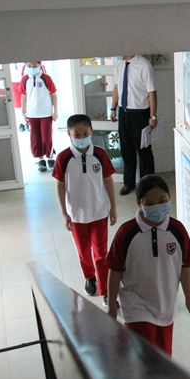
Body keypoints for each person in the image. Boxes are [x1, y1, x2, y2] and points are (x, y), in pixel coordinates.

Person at [105, 175, 190, 355]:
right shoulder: (126, 233)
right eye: (149, 203)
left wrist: (189, 299)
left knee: (164, 356)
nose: (157, 206)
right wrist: (112, 305)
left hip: (165, 306)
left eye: (162, 201)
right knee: (146, 355)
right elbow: (115, 270)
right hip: (134, 304)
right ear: (139, 204)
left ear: (170, 198)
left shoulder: (178, 230)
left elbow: (185, 267)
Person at [52, 114, 117, 305]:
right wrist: (64, 213)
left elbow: (108, 180)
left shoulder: (100, 154)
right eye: (77, 135)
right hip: (76, 216)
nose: (82, 138)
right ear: (69, 134)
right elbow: (59, 185)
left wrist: (113, 207)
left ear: (91, 132)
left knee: (101, 254)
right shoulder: (63, 158)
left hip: (99, 213)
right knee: (83, 252)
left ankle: (105, 290)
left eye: (86, 134)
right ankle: (90, 276)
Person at [110, 55, 158, 195]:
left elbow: (152, 92)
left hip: (140, 114)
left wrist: (153, 116)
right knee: (126, 150)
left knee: (144, 152)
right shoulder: (119, 65)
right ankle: (128, 183)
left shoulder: (144, 65)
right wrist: (113, 108)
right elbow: (116, 88)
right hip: (123, 112)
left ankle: (147, 186)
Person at [20, 61, 58, 171]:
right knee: (35, 138)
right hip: (32, 114)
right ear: (26, 66)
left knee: (46, 137)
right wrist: (23, 112)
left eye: (35, 66)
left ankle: (50, 157)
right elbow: (23, 96)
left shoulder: (46, 78)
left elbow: (54, 95)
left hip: (46, 114)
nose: (32, 68)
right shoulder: (24, 79)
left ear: (40, 65)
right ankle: (40, 159)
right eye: (29, 66)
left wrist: (55, 112)